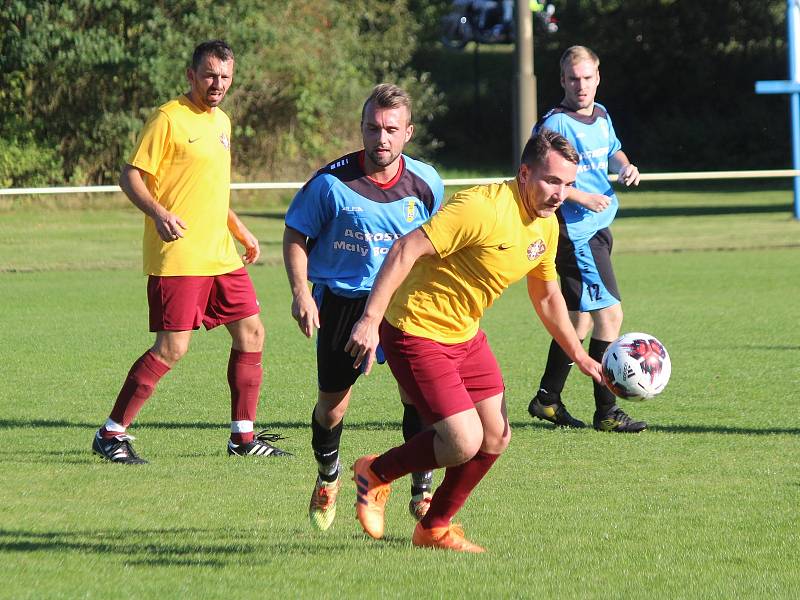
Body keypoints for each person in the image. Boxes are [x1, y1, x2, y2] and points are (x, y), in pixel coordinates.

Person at [345, 129, 603, 553]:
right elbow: (404, 250)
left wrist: (580, 355)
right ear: (524, 173)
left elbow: (547, 294)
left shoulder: (547, 224)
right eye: (552, 181)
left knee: (497, 436)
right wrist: (370, 320)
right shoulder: (480, 207)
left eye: (569, 184)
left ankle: (434, 528)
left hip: (465, 334)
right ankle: (375, 473)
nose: (561, 193)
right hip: (416, 328)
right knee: (462, 442)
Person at [91, 40, 289, 464]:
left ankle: (243, 438)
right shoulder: (169, 118)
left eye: (225, 77)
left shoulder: (223, 122)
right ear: (191, 75)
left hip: (220, 254)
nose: (217, 84)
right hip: (180, 255)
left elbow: (209, 191)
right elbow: (130, 176)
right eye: (210, 75)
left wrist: (241, 230)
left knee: (253, 333)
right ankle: (111, 433)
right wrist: (158, 212)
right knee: (172, 348)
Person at [283, 83, 445, 531]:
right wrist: (300, 291)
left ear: (408, 133)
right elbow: (296, 234)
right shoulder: (331, 183)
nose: (382, 139)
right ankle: (328, 477)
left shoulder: (427, 183)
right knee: (332, 408)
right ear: (362, 129)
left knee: (419, 397)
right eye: (373, 128)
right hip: (343, 304)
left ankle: (422, 490)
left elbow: (439, 246)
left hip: (405, 304)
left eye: (391, 129)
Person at [528, 45, 645, 433]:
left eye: (587, 78)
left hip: (598, 228)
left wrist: (626, 167)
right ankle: (607, 411)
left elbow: (613, 152)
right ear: (562, 80)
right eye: (573, 78)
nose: (581, 85)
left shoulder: (601, 115)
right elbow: (537, 176)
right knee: (609, 316)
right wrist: (579, 196)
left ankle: (547, 399)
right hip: (575, 234)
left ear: (598, 78)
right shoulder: (555, 124)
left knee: (577, 321)